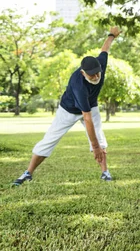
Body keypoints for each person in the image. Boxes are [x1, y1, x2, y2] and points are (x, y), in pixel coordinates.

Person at [12, 27, 121, 186]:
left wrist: (112, 35)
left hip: (91, 105)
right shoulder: (79, 85)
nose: (97, 76)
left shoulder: (100, 64)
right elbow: (87, 118)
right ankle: (28, 173)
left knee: (100, 138)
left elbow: (105, 49)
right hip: (68, 109)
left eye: (98, 73)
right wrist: (94, 147)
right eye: (92, 75)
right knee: (49, 140)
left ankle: (105, 173)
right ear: (83, 73)